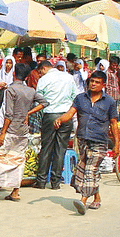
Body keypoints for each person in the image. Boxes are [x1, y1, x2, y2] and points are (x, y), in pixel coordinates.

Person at [54, 70, 120, 215]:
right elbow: (70, 113)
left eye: (97, 82)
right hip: (83, 139)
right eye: (92, 81)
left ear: (103, 85)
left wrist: (117, 144)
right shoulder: (80, 98)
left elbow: (114, 123)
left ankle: (83, 201)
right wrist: (60, 119)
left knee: (90, 171)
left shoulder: (109, 102)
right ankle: (96, 198)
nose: (93, 84)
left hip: (100, 141)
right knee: (85, 169)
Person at [0, 64, 46, 202]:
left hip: (11, 129)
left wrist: (3, 132)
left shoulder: (11, 90)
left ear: (14, 74)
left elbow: (8, 114)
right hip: (23, 131)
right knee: (18, 160)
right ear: (27, 77)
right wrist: (29, 112)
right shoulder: (31, 91)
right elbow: (44, 103)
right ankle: (15, 192)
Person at [35, 59, 75, 190]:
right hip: (66, 115)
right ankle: (56, 182)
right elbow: (75, 96)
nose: (40, 74)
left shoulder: (44, 79)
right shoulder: (68, 77)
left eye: (40, 72)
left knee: (46, 147)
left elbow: (39, 99)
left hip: (50, 114)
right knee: (60, 149)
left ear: (43, 69)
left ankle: (41, 181)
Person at [0, 55, 16, 130]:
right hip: (1, 96)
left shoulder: (14, 74)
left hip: (11, 96)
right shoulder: (0, 73)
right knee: (0, 114)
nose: (8, 65)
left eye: (10, 63)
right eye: (6, 62)